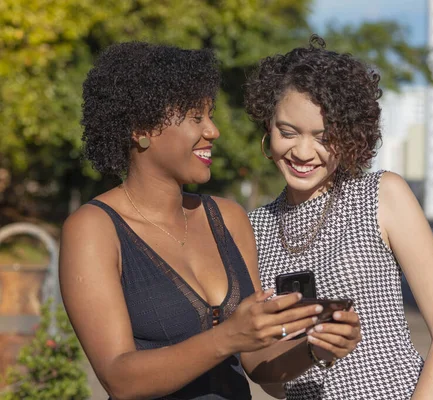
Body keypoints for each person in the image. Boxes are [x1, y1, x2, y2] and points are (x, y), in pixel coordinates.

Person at [59, 41, 361, 400]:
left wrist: (316, 349)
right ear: (141, 129)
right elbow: (120, 378)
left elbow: (256, 363)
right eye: (196, 117)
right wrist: (228, 336)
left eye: (211, 115)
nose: (213, 131)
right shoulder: (93, 229)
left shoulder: (227, 217)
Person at [245, 35, 433, 400]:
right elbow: (270, 381)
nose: (303, 151)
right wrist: (309, 352)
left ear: (350, 136)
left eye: (324, 137)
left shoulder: (382, 195)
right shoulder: (253, 228)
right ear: (267, 131)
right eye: (288, 132)